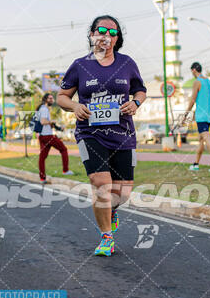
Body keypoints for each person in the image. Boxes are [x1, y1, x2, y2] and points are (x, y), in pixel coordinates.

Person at [57, 15, 147, 256]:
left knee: (123, 192)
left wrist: (136, 103)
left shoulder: (127, 63)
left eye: (112, 32)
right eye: (102, 30)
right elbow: (61, 96)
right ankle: (106, 236)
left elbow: (140, 90)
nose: (106, 35)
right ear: (92, 35)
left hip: (123, 134)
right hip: (90, 133)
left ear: (117, 39)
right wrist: (75, 107)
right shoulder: (80, 65)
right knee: (101, 184)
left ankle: (112, 211)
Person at [184, 62, 210, 172]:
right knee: (201, 140)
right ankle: (196, 164)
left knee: (206, 138)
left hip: (201, 116)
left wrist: (186, 115)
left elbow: (192, 100)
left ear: (193, 70)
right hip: (209, 116)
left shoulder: (197, 82)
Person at [37, 92, 73, 183]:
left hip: (42, 136)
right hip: (47, 136)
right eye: (50, 98)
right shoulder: (44, 109)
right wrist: (52, 121)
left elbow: (44, 123)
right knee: (63, 149)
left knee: (42, 157)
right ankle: (65, 170)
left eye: (52, 98)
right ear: (45, 99)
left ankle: (42, 178)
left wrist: (55, 126)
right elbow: (43, 122)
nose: (52, 100)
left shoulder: (42, 108)